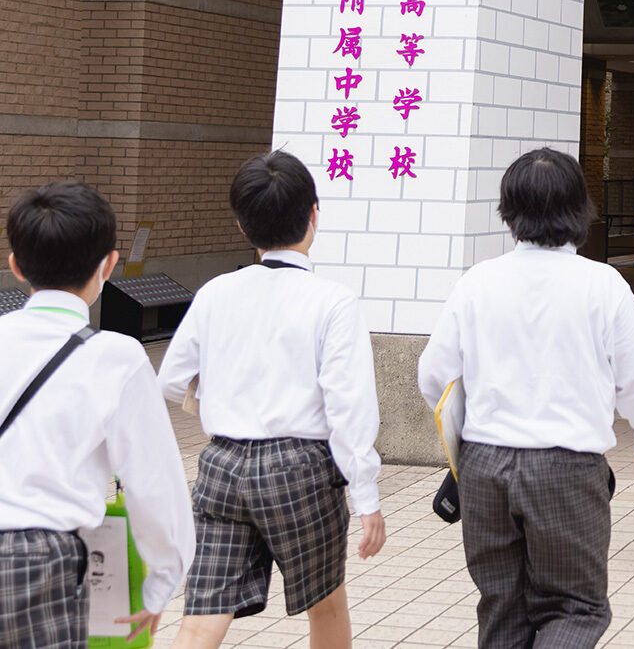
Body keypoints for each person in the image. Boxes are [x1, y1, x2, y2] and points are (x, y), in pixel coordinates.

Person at [418, 149, 634, 648]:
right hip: (565, 468)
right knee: (574, 609)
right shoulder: (601, 284)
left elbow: (434, 375)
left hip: (485, 468)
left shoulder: (478, 282)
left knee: (502, 608)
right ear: (580, 210)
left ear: (508, 211)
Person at [158, 152, 385, 649]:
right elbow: (348, 408)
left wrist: (212, 400)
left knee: (201, 617)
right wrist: (366, 496)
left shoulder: (217, 291)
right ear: (314, 214)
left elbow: (171, 381)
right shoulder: (332, 301)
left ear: (242, 225)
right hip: (299, 467)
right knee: (326, 605)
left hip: (222, 463)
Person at [0, 182, 194, 649]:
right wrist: (161, 581)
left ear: (16, 265)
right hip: (40, 559)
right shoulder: (117, 357)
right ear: (108, 264)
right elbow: (153, 484)